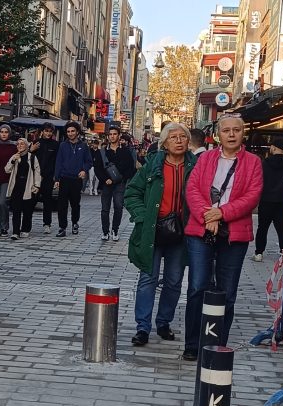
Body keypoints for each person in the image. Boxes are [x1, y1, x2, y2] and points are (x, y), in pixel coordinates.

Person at [183, 114, 263, 361]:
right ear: (218, 134)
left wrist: (222, 213)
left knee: (227, 291)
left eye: (236, 130)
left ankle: (217, 343)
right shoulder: (205, 158)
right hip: (202, 229)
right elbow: (192, 189)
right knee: (197, 286)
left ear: (242, 133)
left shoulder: (253, 162)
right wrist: (209, 216)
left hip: (234, 234)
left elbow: (252, 196)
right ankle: (193, 342)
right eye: (226, 130)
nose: (231, 134)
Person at [124, 122, 197, 347]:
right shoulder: (152, 165)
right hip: (152, 231)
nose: (178, 141)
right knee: (148, 279)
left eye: (182, 137)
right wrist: (143, 216)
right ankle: (142, 328)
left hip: (181, 233)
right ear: (164, 142)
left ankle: (163, 322)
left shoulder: (196, 166)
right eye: (173, 137)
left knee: (174, 281)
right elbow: (131, 193)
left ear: (188, 141)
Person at [253, 137, 283, 262]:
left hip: (267, 200)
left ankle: (259, 253)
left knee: (262, 227)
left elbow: (259, 181)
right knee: (282, 228)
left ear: (273, 147)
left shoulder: (265, 163)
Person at [97, 126, 135, 241]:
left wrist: (122, 178)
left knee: (118, 207)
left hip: (120, 184)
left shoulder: (125, 151)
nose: (112, 136)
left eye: (114, 134)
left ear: (119, 136)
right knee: (105, 209)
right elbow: (98, 168)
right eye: (110, 134)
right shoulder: (103, 152)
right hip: (106, 184)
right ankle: (105, 231)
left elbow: (130, 168)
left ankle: (115, 230)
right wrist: (105, 179)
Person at [54, 121, 92, 237]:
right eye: (68, 131)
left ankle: (75, 223)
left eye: (72, 131)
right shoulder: (63, 145)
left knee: (75, 204)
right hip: (64, 178)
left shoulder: (83, 146)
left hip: (76, 179)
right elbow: (58, 162)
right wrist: (57, 179)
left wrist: (84, 170)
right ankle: (62, 227)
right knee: (62, 205)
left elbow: (89, 161)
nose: (70, 133)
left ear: (77, 132)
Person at [5, 138, 42, 240]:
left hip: (28, 186)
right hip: (16, 186)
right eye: (18, 144)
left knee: (27, 210)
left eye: (22, 144)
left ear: (27, 145)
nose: (19, 146)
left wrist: (37, 185)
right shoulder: (15, 157)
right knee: (16, 210)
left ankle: (25, 229)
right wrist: (13, 160)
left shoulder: (32, 157)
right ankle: (15, 232)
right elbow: (7, 170)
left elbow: (37, 172)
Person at [30, 122, 59, 234]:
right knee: (31, 201)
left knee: (47, 201)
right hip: (35, 177)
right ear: (42, 132)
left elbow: (57, 162)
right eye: (46, 131)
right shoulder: (36, 143)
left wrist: (56, 178)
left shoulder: (55, 145)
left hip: (48, 177)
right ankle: (27, 225)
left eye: (50, 131)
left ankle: (47, 224)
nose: (48, 133)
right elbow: (26, 158)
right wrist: (31, 150)